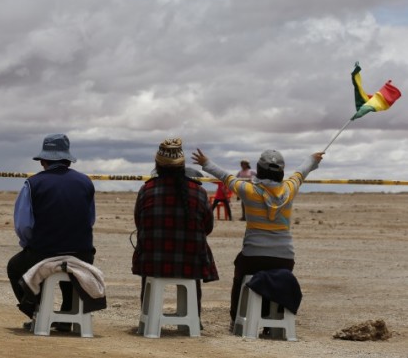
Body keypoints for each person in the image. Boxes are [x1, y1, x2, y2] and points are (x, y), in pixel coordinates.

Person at [192, 148, 324, 329]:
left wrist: (205, 162)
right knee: (276, 274)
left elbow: (226, 177)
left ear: (259, 170)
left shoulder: (248, 190)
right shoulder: (289, 189)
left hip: (253, 257)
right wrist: (312, 159)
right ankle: (273, 320)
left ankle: (236, 319)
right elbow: (301, 172)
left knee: (240, 272)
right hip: (285, 259)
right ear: (281, 172)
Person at [6, 133, 96, 330]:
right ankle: (65, 317)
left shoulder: (33, 184)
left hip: (43, 252)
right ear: (68, 160)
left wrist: (31, 246)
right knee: (69, 274)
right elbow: (90, 220)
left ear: (43, 161)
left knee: (14, 267)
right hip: (83, 254)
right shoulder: (86, 182)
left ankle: (36, 311)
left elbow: (24, 226)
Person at [132, 138, 219, 323]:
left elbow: (140, 224)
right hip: (191, 262)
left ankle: (147, 318)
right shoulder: (199, 192)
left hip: (152, 262)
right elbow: (208, 227)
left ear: (157, 165)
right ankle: (193, 319)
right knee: (195, 255)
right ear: (182, 165)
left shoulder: (146, 189)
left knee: (148, 255)